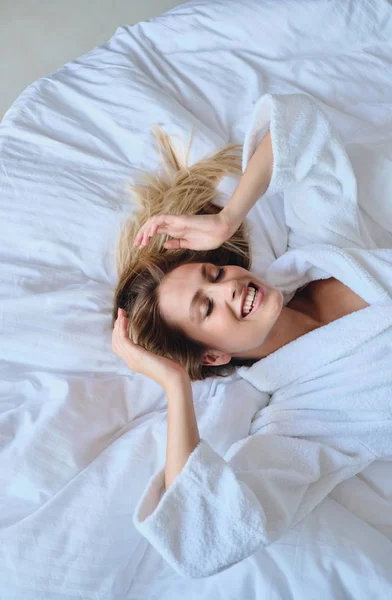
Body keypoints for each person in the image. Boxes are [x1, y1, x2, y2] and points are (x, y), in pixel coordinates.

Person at [111, 94, 392, 577]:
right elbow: (205, 536)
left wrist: (228, 218)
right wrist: (176, 387)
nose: (229, 289)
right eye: (206, 308)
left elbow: (298, 126)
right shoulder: (300, 421)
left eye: (214, 276)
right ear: (215, 355)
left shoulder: (318, 253)